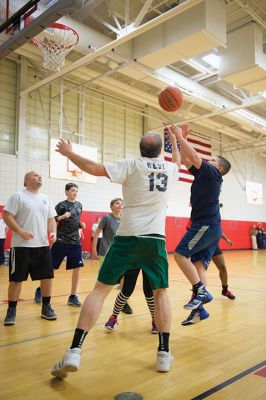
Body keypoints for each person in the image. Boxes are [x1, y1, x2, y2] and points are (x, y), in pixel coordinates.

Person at [51, 130, 180, 378]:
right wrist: (174, 140)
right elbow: (177, 161)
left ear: (141, 148)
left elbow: (94, 168)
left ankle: (74, 351)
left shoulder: (132, 164)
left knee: (100, 290)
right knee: (160, 293)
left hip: (127, 238)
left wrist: (69, 153)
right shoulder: (170, 169)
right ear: (159, 151)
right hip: (154, 240)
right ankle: (163, 354)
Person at [172, 125, 231, 326]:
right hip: (210, 226)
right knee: (198, 267)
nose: (209, 161)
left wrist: (180, 136)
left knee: (180, 254)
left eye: (212, 160)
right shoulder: (203, 175)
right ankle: (199, 311)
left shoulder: (214, 174)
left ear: (219, 168)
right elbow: (188, 160)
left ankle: (200, 291)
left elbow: (195, 157)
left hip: (206, 225)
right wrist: (181, 139)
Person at [3, 171, 57, 326]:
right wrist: (20, 231)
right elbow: (7, 216)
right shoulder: (18, 196)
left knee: (47, 277)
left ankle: (46, 306)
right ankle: (11, 310)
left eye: (40, 175)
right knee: (16, 280)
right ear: (26, 180)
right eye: (35, 175)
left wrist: (53, 232)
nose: (39, 177)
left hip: (43, 245)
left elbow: (51, 219)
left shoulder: (46, 198)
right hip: (21, 246)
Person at [34, 183, 84, 307]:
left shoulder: (79, 205)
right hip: (61, 240)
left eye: (76, 191)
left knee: (77, 268)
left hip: (75, 241)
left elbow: (76, 220)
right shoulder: (61, 205)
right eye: (73, 190)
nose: (75, 192)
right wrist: (63, 216)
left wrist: (80, 225)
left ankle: (73, 296)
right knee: (51, 267)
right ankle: (41, 290)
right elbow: (52, 219)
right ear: (66, 192)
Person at [92, 198, 133, 314]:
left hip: (122, 253)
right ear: (111, 206)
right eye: (117, 203)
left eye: (121, 203)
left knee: (125, 279)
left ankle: (123, 302)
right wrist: (94, 249)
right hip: (106, 252)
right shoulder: (106, 218)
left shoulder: (125, 219)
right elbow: (96, 234)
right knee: (104, 280)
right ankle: (96, 300)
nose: (120, 205)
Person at [185, 218, 235, 306]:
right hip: (200, 245)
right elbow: (191, 231)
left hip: (213, 244)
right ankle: (196, 294)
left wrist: (226, 238)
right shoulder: (195, 216)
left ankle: (225, 290)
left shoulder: (213, 215)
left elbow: (217, 230)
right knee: (198, 271)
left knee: (222, 267)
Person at [104, 268, 158, 334]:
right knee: (126, 291)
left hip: (150, 259)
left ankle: (155, 320)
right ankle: (113, 317)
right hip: (134, 258)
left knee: (149, 292)